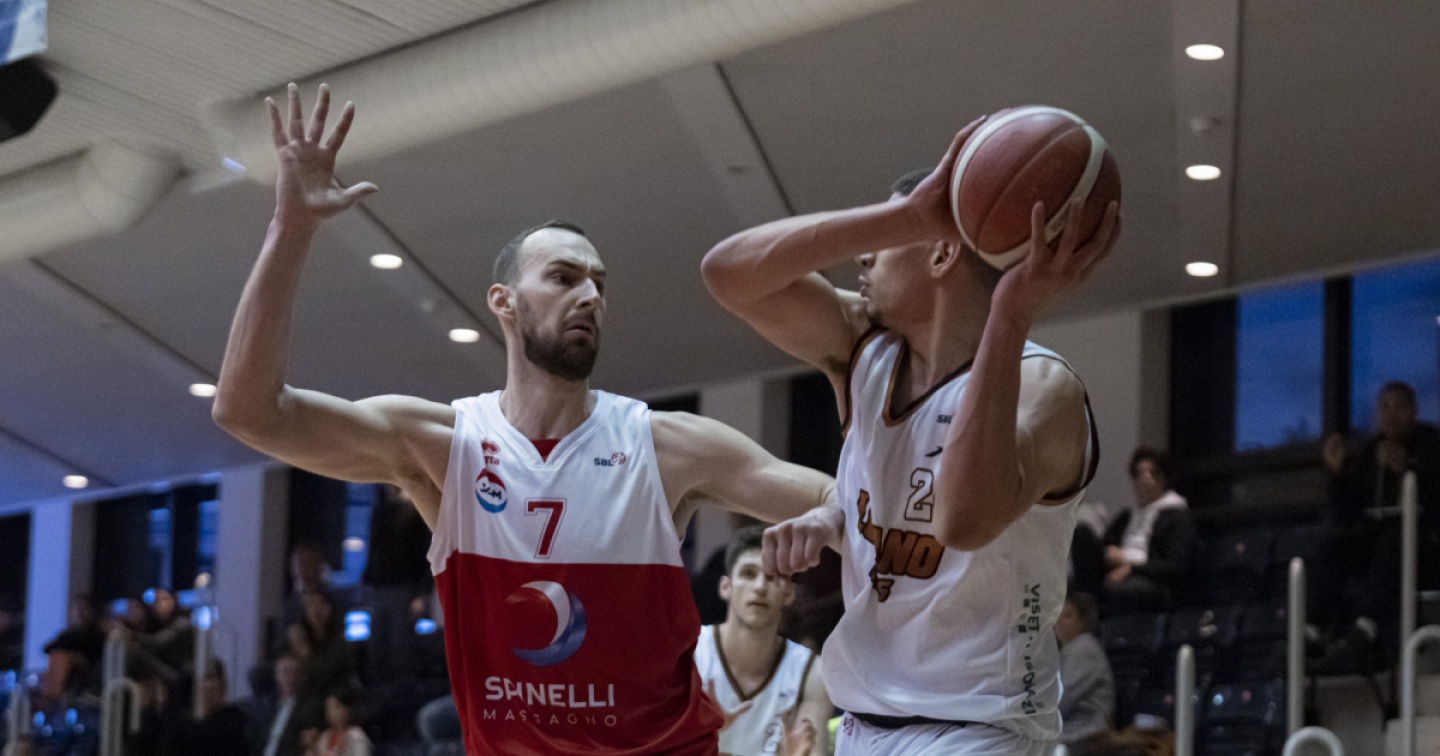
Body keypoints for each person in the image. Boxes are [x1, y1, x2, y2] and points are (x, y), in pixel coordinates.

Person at [212, 84, 840, 754]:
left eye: (599, 283)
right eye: (564, 278)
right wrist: (291, 229)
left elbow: (846, 500)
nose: (590, 295)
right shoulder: (445, 445)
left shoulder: (663, 446)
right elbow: (249, 412)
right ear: (504, 302)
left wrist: (832, 515)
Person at [702, 116, 1120, 754]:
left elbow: (963, 520)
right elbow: (726, 273)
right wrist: (906, 217)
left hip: (980, 733)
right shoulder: (864, 349)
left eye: (891, 238)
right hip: (864, 725)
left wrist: (1009, 315)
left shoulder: (1046, 389)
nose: (864, 253)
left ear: (943, 253)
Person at [1316, 381, 1440, 671]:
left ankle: (1366, 628)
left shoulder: (1432, 445)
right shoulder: (1369, 453)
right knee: (1334, 545)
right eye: (1385, 407)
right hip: (1377, 547)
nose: (1391, 415)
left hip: (1425, 547)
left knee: (1396, 536)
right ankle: (1313, 628)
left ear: (1414, 411)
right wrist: (1338, 473)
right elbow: (1348, 513)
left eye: (1399, 407)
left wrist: (1406, 470)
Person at [695, 526, 831, 756]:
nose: (759, 587)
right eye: (748, 574)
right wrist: (699, 736)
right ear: (725, 587)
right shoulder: (689, 652)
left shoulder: (812, 673)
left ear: (789, 593)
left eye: (772, 577)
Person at [1098, 449, 1194, 613]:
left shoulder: (1176, 516)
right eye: (1139, 474)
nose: (1145, 479)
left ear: (1163, 477)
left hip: (1153, 580)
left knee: (1119, 590)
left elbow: (1175, 565)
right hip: (1117, 571)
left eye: (1153, 473)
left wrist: (1130, 566)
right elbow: (1105, 545)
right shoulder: (1126, 516)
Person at [1054, 592, 1114, 745]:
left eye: (1067, 616)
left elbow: (1062, 699)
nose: (1059, 622)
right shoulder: (1064, 651)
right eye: (1056, 616)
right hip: (1066, 731)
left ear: (1083, 621)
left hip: (1085, 733)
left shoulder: (1084, 646)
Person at [162, 660, 252, 756]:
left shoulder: (239, 725)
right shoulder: (179, 732)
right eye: (209, 677)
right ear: (196, 685)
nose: (217, 683)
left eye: (219, 677)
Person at [246, 653, 324, 756]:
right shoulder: (267, 704)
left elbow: (302, 743)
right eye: (286, 671)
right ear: (276, 675)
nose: (291, 677)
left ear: (303, 677)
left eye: (296, 672)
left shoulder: (309, 707)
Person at [303, 687, 371, 756]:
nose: (332, 712)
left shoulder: (356, 736)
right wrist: (312, 746)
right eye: (328, 708)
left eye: (336, 707)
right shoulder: (325, 736)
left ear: (348, 709)